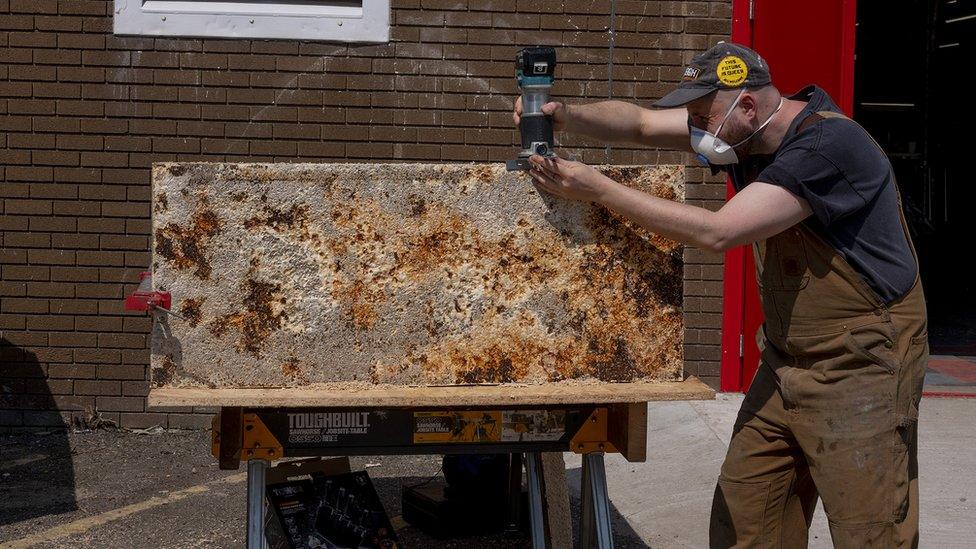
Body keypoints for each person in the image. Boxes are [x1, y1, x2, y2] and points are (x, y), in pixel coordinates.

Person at [513, 41, 928, 548]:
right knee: (748, 516)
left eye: (702, 116)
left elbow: (720, 232)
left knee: (871, 529)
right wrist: (563, 116)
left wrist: (598, 188)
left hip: (862, 362)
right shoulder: (743, 133)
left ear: (746, 105)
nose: (696, 129)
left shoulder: (827, 148)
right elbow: (642, 124)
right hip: (787, 359)